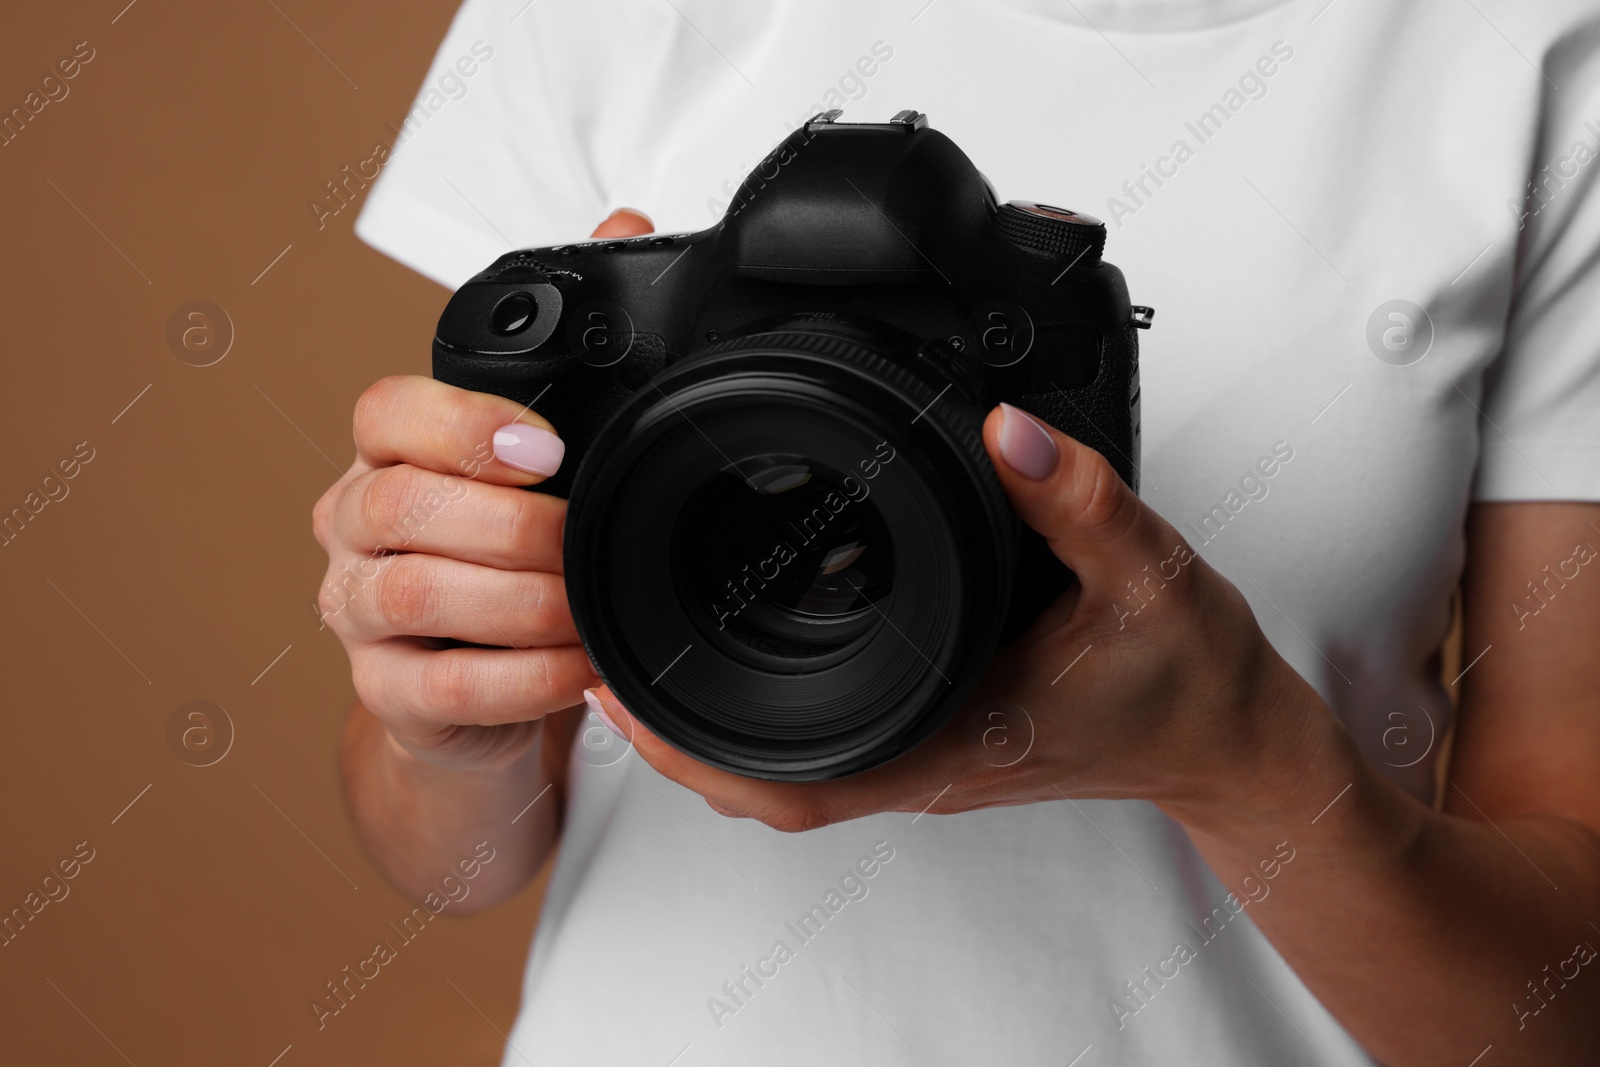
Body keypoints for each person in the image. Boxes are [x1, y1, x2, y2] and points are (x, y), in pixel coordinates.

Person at [313, 1, 1600, 1063]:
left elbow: (1560, 1019)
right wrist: (449, 722)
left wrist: (1240, 756)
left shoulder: (1533, 58)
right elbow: (449, 859)